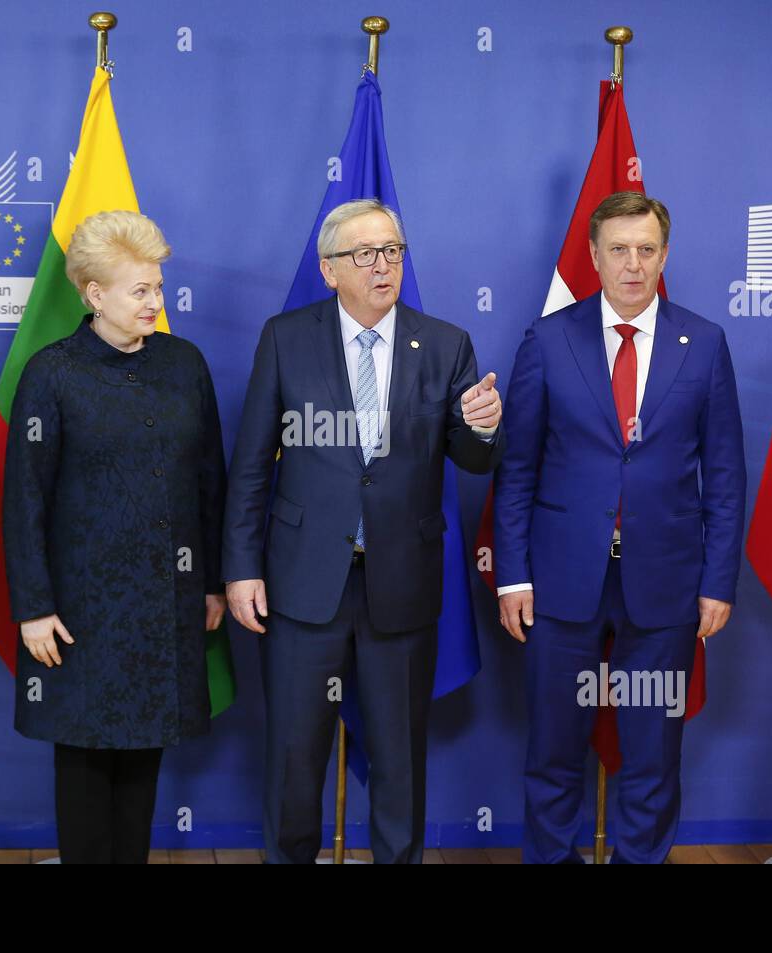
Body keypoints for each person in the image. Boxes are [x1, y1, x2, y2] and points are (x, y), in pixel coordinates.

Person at [223, 198, 505, 864]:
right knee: (294, 758)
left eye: (393, 251)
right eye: (365, 254)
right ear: (329, 269)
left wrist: (484, 424)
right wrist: (240, 566)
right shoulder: (286, 338)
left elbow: (472, 458)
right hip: (301, 582)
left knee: (400, 760)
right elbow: (250, 465)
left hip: (400, 584)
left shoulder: (445, 343)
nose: (383, 266)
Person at [493, 191, 746, 864]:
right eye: (619, 250)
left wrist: (718, 580)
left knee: (653, 753)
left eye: (647, 249)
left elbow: (724, 477)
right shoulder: (548, 339)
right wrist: (512, 574)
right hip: (559, 583)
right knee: (552, 748)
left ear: (664, 254)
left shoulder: (705, 343)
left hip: (665, 587)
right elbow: (516, 468)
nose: (633, 264)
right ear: (595, 256)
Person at [3, 210, 226, 864]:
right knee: (84, 765)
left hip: (164, 605)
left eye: (158, 288)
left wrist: (211, 580)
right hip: (78, 614)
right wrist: (33, 607)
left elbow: (209, 479)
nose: (156, 302)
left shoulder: (185, 364)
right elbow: (23, 500)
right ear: (94, 294)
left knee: (142, 763)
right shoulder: (52, 373)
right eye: (140, 291)